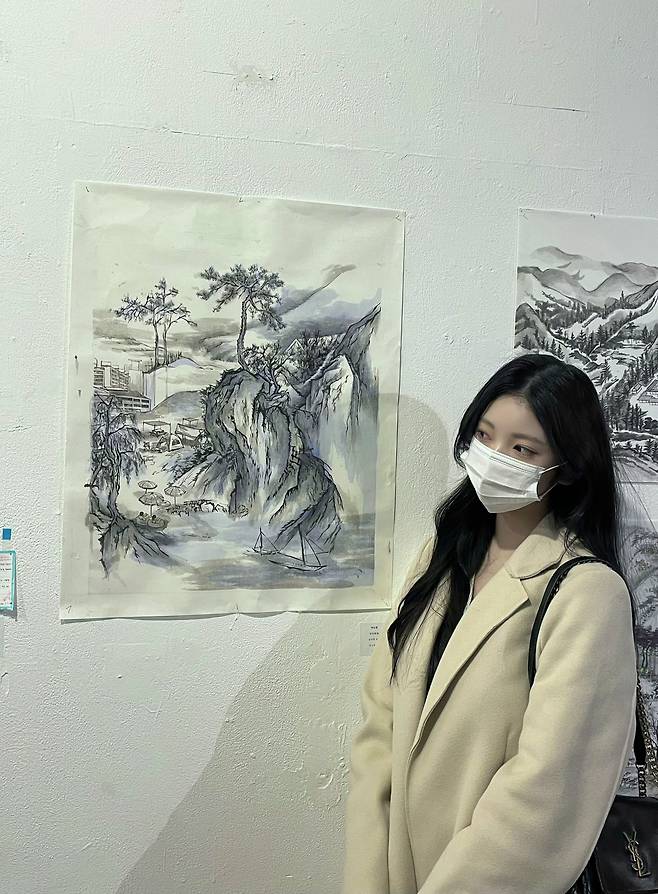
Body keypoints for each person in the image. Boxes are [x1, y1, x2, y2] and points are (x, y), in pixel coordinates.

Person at [341, 353, 638, 894]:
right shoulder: (440, 558)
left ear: (568, 466)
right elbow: (380, 727)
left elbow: (544, 797)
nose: (495, 457)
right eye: (484, 435)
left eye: (523, 449)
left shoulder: (587, 594)